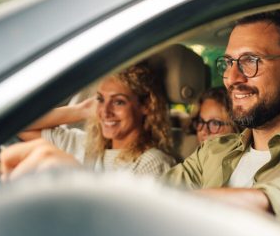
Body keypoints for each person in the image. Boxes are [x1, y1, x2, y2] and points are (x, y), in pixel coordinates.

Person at [1, 8, 280, 219]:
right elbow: (149, 198)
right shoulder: (214, 151)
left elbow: (264, 205)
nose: (233, 77)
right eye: (229, 62)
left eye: (250, 62)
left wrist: (90, 191)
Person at [16, 63, 175, 177]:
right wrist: (81, 110)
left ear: (146, 105)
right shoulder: (84, 145)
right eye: (101, 99)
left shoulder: (153, 163)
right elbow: (20, 126)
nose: (105, 112)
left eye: (118, 101)